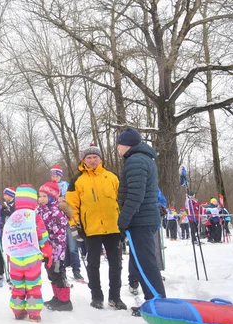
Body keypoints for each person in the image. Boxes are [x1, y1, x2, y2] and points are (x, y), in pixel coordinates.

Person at [66, 144, 126, 310]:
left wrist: (125, 222)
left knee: (116, 263)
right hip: (90, 229)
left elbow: (122, 200)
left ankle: (115, 297)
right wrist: (74, 225)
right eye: (89, 158)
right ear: (83, 160)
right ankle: (96, 297)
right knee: (93, 264)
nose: (92, 160)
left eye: (95, 157)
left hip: (113, 227)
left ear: (101, 158)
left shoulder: (112, 177)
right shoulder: (77, 180)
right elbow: (71, 206)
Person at [116, 128, 167, 307]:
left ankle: (156, 302)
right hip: (143, 219)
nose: (118, 148)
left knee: (146, 263)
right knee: (143, 262)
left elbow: (135, 195)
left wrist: (123, 220)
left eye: (119, 144)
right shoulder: (143, 159)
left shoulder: (135, 161)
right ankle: (152, 300)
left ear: (126, 144)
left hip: (141, 220)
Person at [2, 184, 52, 322]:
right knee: (33, 284)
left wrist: (8, 253)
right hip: (31, 256)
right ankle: (34, 313)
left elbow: (6, 235)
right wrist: (46, 249)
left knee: (18, 285)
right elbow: (42, 234)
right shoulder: (34, 216)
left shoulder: (13, 217)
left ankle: (18, 311)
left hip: (16, 258)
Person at [37, 182, 73, 311]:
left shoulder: (57, 213)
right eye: (40, 196)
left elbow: (59, 235)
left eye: (45, 196)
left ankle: (65, 301)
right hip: (45, 250)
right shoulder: (39, 210)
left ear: (52, 197)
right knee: (51, 273)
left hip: (56, 251)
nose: (41, 199)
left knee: (58, 273)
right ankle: (57, 297)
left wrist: (53, 249)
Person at [51, 164, 84, 282]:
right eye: (52, 176)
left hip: (68, 220)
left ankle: (77, 270)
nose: (54, 178)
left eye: (56, 175)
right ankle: (62, 269)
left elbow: (72, 198)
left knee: (72, 247)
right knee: (61, 247)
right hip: (57, 221)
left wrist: (64, 199)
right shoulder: (50, 187)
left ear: (60, 176)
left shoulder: (66, 185)